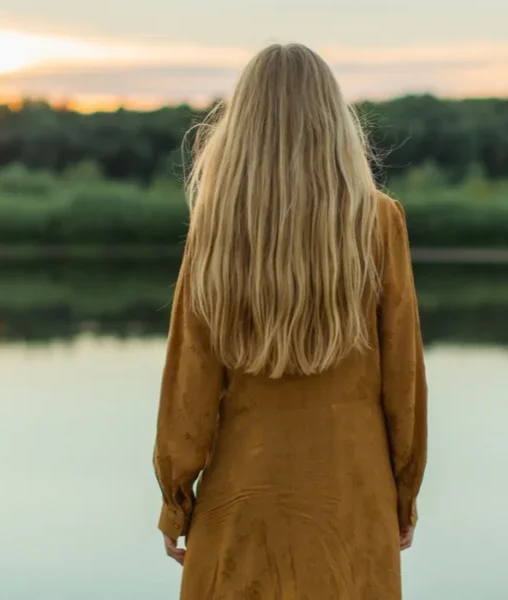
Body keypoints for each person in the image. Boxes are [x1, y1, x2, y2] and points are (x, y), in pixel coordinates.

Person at [152, 42, 428, 599]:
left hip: (240, 502)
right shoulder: (376, 220)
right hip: (353, 497)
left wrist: (175, 502)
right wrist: (404, 493)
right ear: (333, 120)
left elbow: (190, 385)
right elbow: (404, 382)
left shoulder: (215, 225)